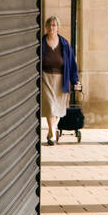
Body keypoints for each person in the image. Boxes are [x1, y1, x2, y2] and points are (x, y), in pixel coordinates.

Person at [41, 16, 81, 145]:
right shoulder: (41, 42)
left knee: (58, 109)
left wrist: (75, 81)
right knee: (50, 107)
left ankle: (51, 131)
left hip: (61, 79)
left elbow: (72, 64)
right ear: (46, 27)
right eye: (49, 25)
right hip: (45, 77)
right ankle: (53, 135)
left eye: (54, 25)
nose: (52, 28)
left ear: (57, 27)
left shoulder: (64, 44)